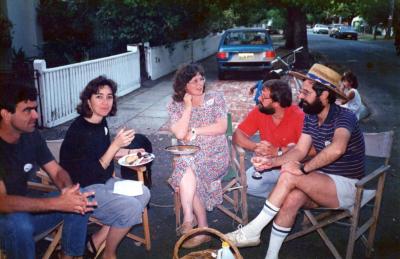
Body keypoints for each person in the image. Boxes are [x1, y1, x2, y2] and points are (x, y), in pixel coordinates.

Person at [226, 64, 365, 259]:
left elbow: (337, 148)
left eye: (305, 93)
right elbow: (300, 150)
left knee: (291, 173)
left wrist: (304, 169)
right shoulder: (310, 117)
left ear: (324, 95)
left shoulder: (345, 117)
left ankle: (253, 230)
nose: (299, 97)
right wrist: (272, 162)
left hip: (348, 186)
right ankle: (271, 256)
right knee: (291, 198)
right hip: (320, 181)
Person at [0, 83, 96, 259]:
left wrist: (68, 191)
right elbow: (3, 202)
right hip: (6, 221)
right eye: (27, 110)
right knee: (20, 225)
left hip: (25, 212)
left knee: (81, 197)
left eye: (35, 109)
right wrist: (58, 203)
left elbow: (56, 171)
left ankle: (68, 255)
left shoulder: (31, 135)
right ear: (6, 114)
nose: (36, 115)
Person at [59, 76, 151, 259]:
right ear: (88, 100)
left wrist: (129, 152)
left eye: (109, 97)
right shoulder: (79, 130)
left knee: (144, 193)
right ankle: (109, 253)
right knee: (130, 208)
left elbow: (103, 154)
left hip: (103, 181)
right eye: (99, 96)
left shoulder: (100, 121)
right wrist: (115, 146)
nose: (105, 102)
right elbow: (95, 169)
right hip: (83, 189)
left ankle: (96, 240)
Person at [168, 63, 229, 248]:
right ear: (183, 85)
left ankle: (191, 220)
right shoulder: (175, 105)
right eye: (194, 80)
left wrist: (195, 131)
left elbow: (222, 127)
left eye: (201, 78)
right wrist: (187, 107)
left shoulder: (215, 98)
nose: (200, 83)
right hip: (190, 157)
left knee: (185, 167)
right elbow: (179, 133)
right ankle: (200, 226)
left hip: (215, 156)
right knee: (188, 167)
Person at [233, 79, 304, 198]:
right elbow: (237, 135)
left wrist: (277, 151)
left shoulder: (299, 116)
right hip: (267, 167)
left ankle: (283, 197)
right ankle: (281, 198)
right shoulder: (260, 111)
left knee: (297, 190)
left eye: (264, 97)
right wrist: (256, 147)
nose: (259, 98)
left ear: (277, 102)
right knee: (247, 184)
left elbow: (309, 150)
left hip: (293, 168)